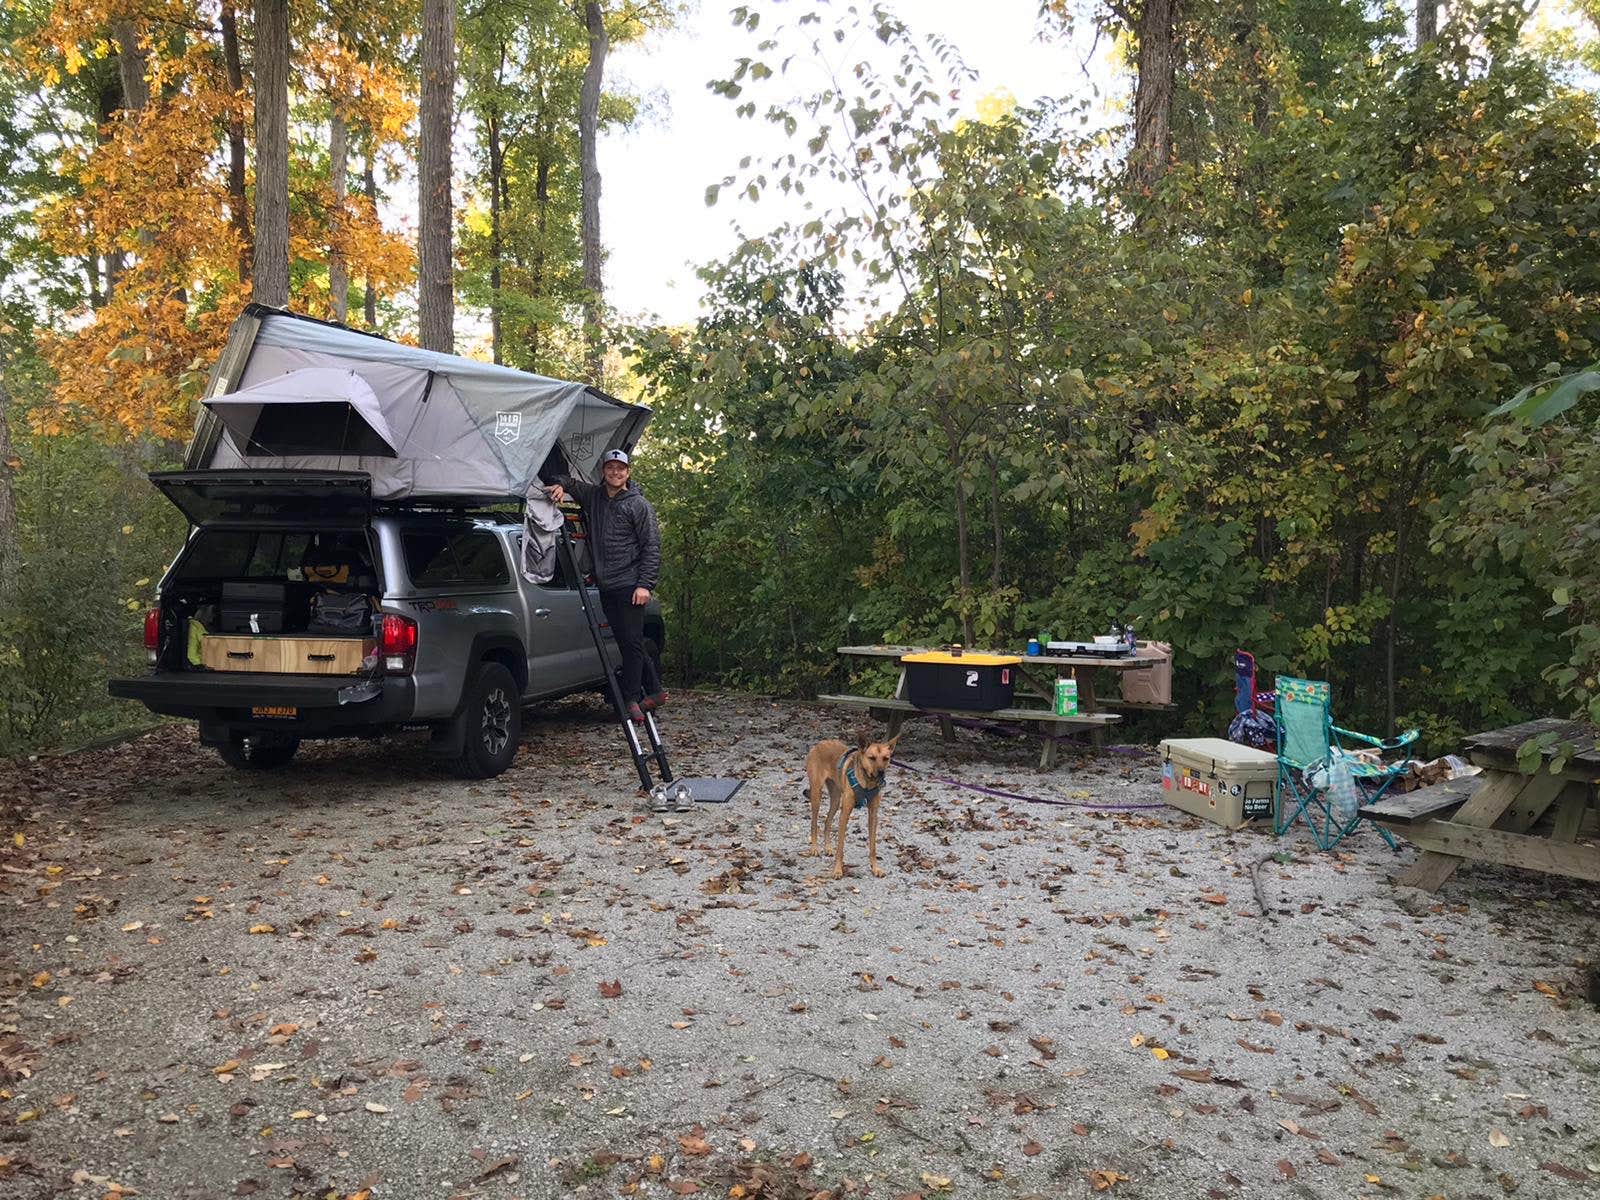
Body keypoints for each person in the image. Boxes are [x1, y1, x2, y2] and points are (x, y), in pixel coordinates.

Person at [543, 449, 663, 723]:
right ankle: (655, 691)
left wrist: (645, 585)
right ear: (604, 472)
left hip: (631, 585)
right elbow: (571, 482)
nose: (615, 473)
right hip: (607, 585)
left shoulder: (638, 505)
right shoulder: (595, 497)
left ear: (628, 473)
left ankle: (631, 699)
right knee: (627, 641)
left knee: (631, 642)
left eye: (621, 468)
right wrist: (561, 485)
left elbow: (652, 547)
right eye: (611, 468)